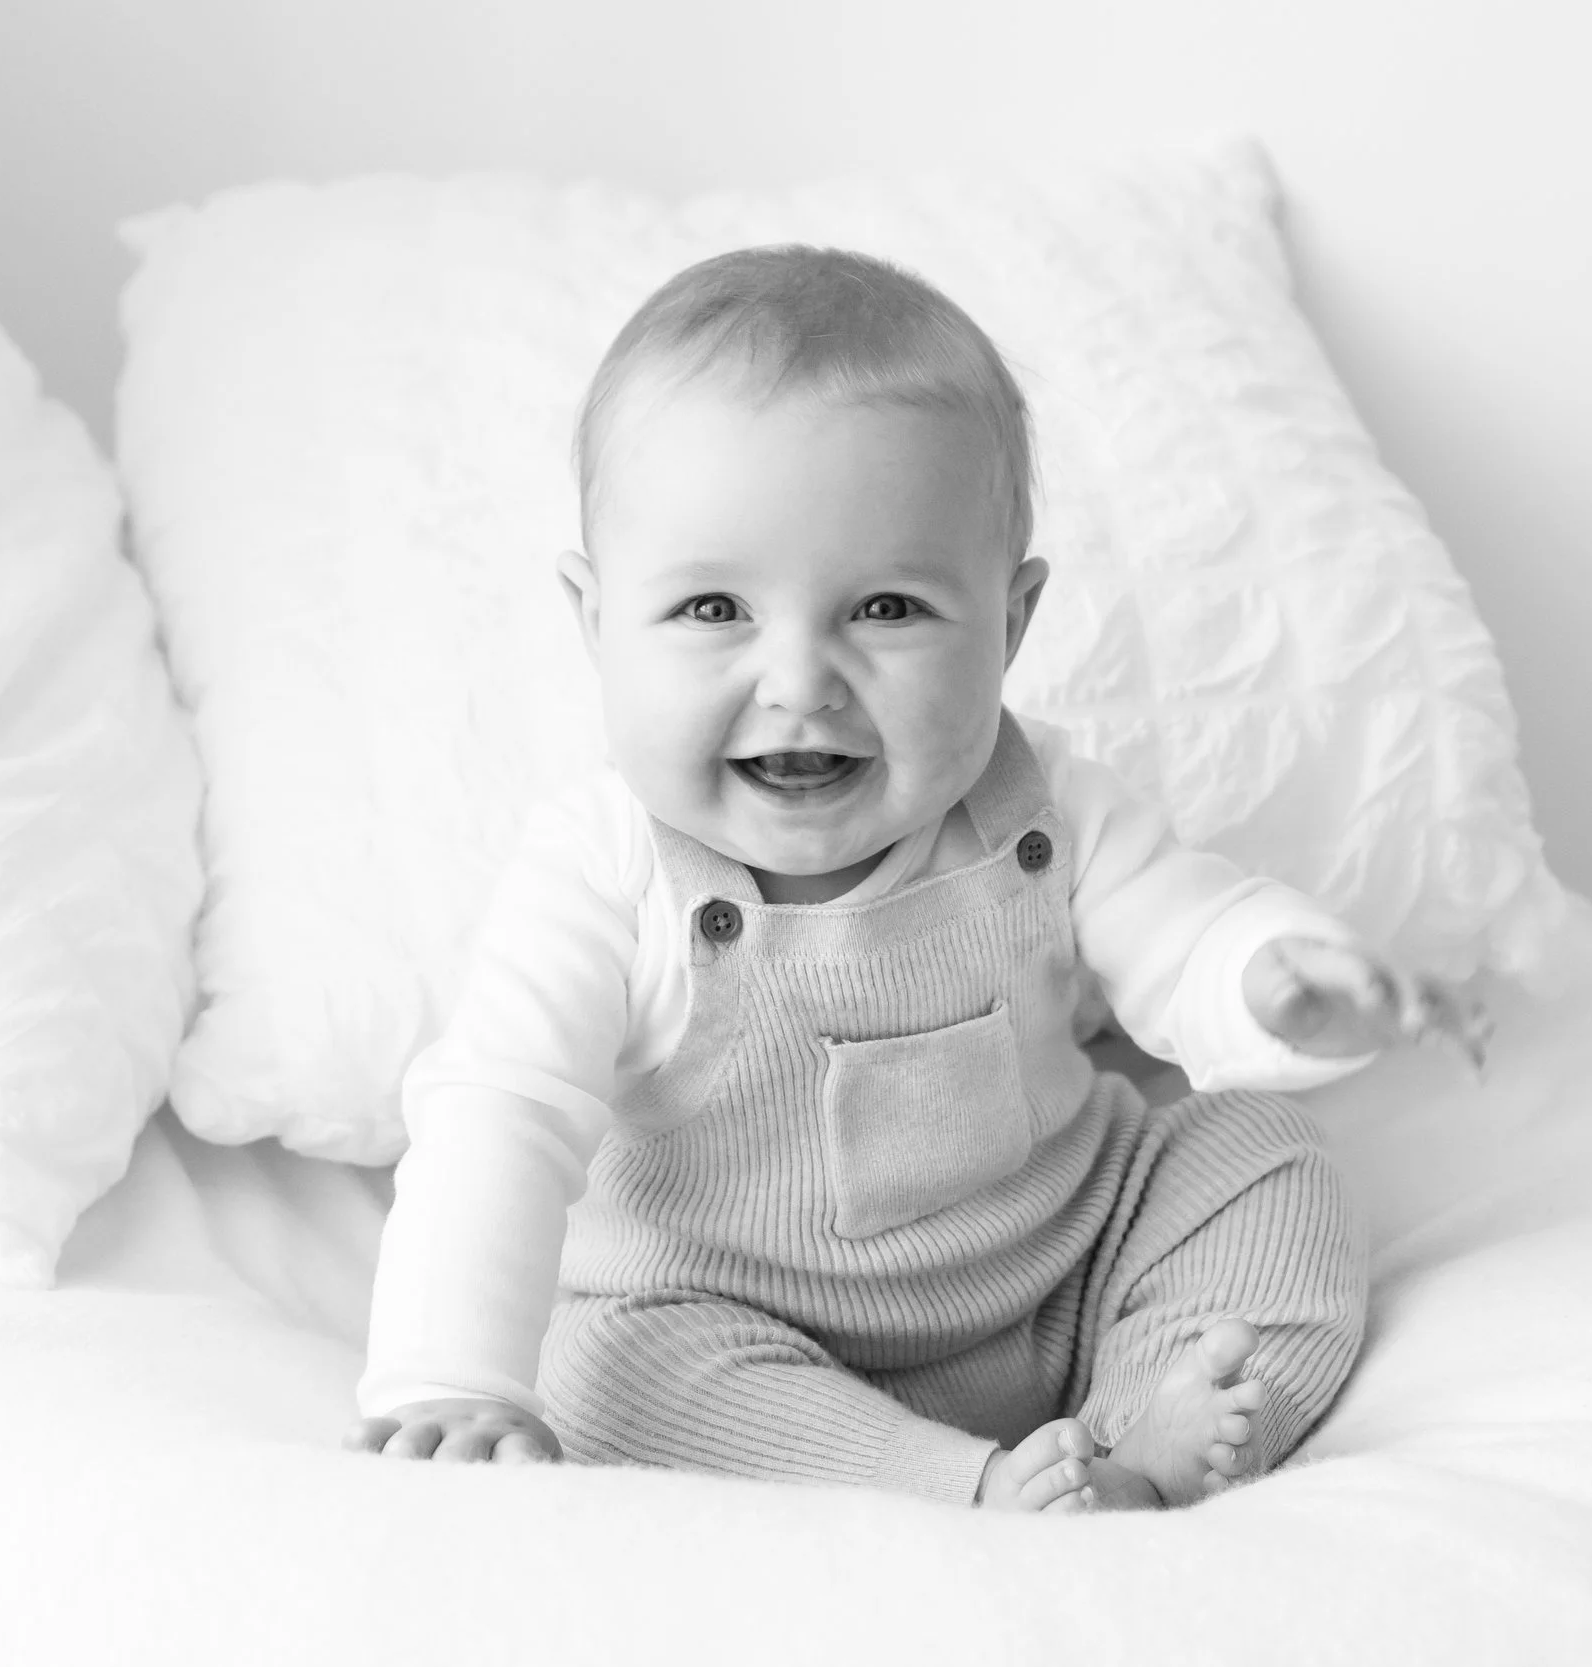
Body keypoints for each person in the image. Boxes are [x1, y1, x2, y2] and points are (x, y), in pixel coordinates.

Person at [343, 245, 1464, 1512]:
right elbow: (503, 1109)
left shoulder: (1044, 811)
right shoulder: (605, 871)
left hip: (1065, 1275)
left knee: (1267, 1157)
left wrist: (1276, 985)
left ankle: (1139, 1415)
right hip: (748, 1330)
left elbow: (1187, 936)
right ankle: (967, 1487)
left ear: (1010, 622)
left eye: (884, 608)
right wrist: (450, 1379)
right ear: (594, 622)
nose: (800, 678)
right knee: (605, 1361)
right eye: (714, 608)